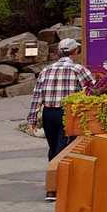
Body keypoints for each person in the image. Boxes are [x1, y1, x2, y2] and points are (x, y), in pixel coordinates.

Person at [26, 38, 96, 200]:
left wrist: (32, 119)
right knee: (63, 149)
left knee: (53, 149)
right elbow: (93, 91)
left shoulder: (46, 70)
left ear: (59, 52)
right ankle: (56, 188)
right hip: (68, 113)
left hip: (48, 114)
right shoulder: (79, 69)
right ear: (74, 52)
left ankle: (54, 185)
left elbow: (37, 96)